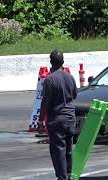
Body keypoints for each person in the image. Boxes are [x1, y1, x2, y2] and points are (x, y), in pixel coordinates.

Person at [38, 49, 77, 180]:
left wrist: (40, 120)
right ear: (62, 62)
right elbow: (75, 95)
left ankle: (62, 177)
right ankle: (69, 174)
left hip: (57, 119)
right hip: (71, 117)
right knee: (69, 148)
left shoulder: (50, 80)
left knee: (58, 149)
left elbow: (45, 102)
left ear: (51, 62)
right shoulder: (70, 77)